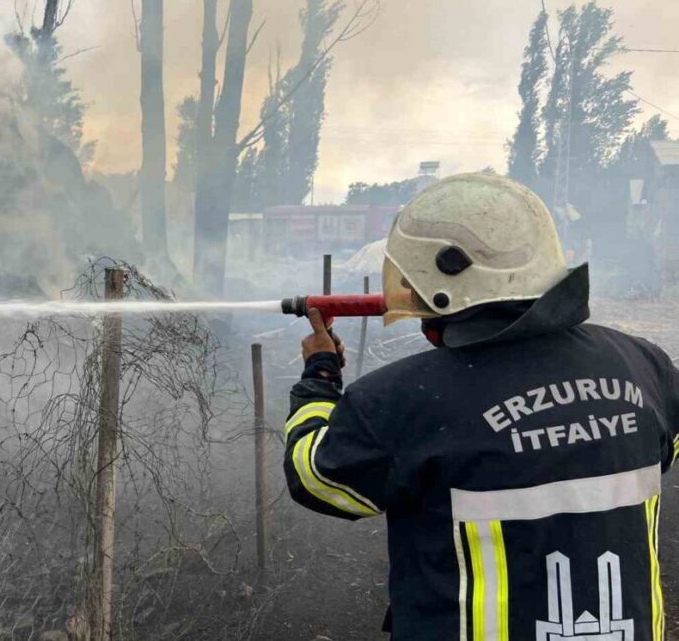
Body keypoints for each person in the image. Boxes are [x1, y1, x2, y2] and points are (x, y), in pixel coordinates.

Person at [284, 172, 677, 641]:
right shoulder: (642, 364)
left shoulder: (403, 399)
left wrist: (321, 374)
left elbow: (316, 477)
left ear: (441, 277)